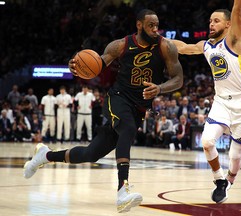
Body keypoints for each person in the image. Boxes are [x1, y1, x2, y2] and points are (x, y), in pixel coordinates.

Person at [23, 9, 183, 213]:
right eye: (150, 25)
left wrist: (160, 88)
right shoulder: (121, 45)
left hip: (139, 107)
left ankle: (45, 156)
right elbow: (96, 65)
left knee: (91, 153)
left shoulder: (165, 47)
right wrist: (77, 66)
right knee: (127, 129)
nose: (155, 29)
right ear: (139, 25)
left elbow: (178, 79)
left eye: (157, 25)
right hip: (117, 97)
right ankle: (122, 191)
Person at [173, 0, 241, 203]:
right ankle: (219, 180)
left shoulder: (235, 41)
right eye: (210, 21)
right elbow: (184, 47)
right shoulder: (206, 45)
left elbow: (238, 10)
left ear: (228, 24)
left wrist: (237, 3)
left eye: (216, 21)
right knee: (207, 141)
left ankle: (230, 180)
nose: (211, 24)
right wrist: (157, 40)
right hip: (221, 102)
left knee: (235, 156)